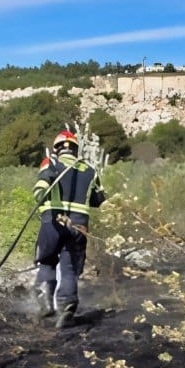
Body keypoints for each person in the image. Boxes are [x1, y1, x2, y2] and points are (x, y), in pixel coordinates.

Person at [33, 129, 106, 327]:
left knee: (47, 261)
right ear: (75, 149)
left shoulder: (51, 163)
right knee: (69, 268)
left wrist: (42, 198)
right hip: (79, 226)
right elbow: (99, 200)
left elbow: (39, 189)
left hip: (52, 223)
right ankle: (67, 306)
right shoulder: (90, 170)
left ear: (56, 149)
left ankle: (46, 303)